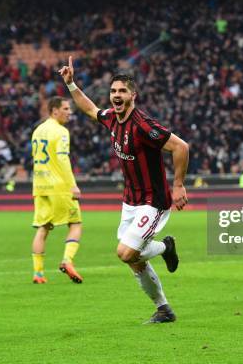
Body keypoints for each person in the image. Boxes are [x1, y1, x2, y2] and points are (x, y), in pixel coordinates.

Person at [59, 56, 189, 324]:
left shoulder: (143, 126)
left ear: (133, 96)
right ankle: (163, 308)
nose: (116, 95)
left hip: (153, 200)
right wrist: (71, 85)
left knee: (125, 252)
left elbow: (181, 147)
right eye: (113, 91)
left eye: (122, 91)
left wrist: (178, 185)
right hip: (130, 200)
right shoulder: (111, 118)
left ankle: (165, 247)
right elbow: (90, 109)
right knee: (134, 259)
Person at [30, 96, 84, 284]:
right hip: (59, 186)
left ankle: (38, 273)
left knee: (43, 228)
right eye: (66, 109)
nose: (70, 113)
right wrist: (72, 185)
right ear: (54, 111)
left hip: (40, 186)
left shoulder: (37, 131)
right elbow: (62, 159)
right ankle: (67, 261)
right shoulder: (61, 131)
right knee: (76, 224)